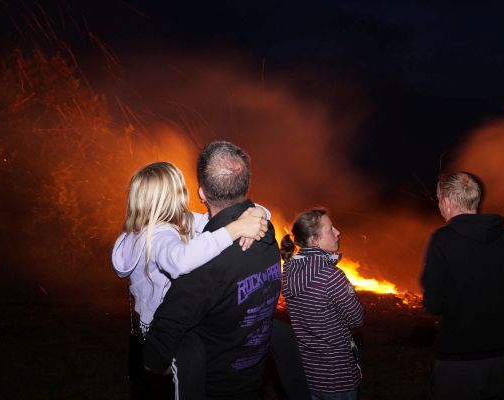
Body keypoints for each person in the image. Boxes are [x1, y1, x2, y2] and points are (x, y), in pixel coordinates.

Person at [111, 161, 268, 398]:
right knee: (190, 381)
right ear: (174, 194)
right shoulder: (155, 236)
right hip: (163, 330)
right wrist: (235, 229)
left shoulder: (176, 221)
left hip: (172, 321)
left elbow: (219, 219)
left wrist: (257, 213)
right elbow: (181, 261)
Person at [143, 142, 282, 400]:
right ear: (246, 185)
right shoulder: (268, 238)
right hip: (252, 379)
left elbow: (156, 352)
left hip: (213, 388)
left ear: (202, 193)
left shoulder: (204, 265)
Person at [420, 171, 504, 400]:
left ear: (448, 201)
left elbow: (433, 304)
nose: (439, 205)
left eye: (439, 199)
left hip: (458, 356)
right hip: (501, 355)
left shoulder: (443, 239)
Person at [281, 209, 364, 400]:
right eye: (330, 229)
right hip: (338, 376)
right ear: (315, 240)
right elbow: (357, 318)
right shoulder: (331, 276)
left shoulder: (288, 272)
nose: (338, 232)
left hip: (308, 373)